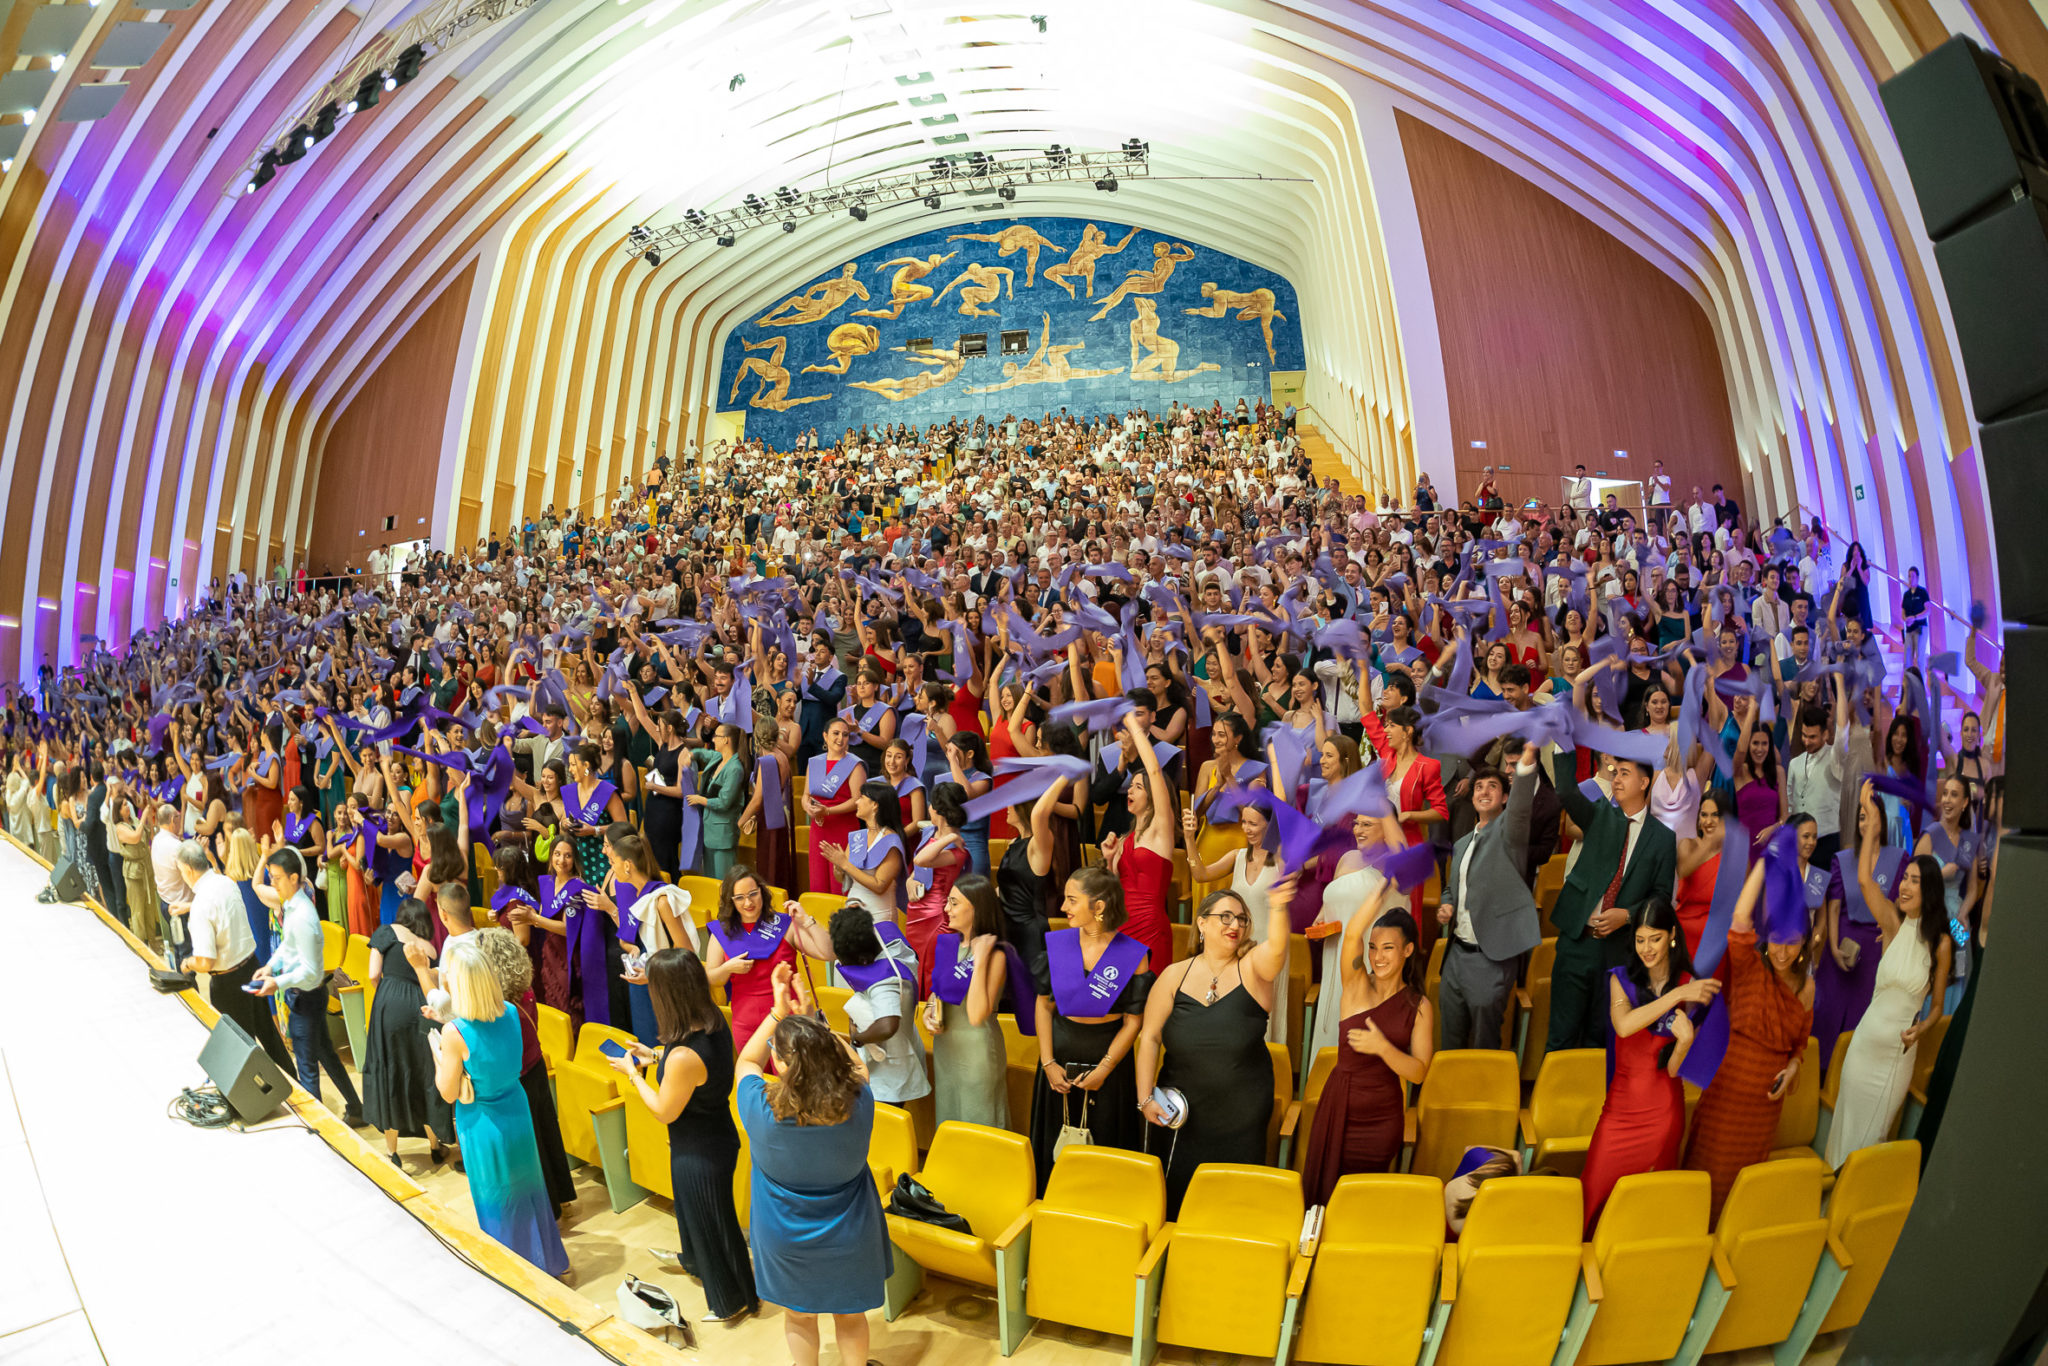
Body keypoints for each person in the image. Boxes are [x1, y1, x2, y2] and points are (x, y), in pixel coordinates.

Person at [735, 962, 889, 1366]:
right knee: (850, 1315)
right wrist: (815, 1028)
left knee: (799, 1317)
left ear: (782, 1065)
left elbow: (746, 1063)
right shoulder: (859, 1102)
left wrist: (778, 1011)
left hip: (783, 1235)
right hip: (850, 1232)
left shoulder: (761, 1109)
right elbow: (857, 1068)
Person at [610, 948, 758, 1324]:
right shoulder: (713, 1021)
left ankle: (731, 1301)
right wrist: (655, 1056)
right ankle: (693, 1260)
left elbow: (664, 1110)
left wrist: (633, 1073)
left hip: (701, 1150)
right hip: (709, 1134)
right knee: (696, 1214)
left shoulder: (683, 1057)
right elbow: (695, 1071)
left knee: (713, 1223)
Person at [1136, 886, 1290, 1215]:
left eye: (1242, 919)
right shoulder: (1174, 975)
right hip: (1181, 1113)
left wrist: (1278, 905)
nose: (1235, 925)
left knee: (1232, 1205)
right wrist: (1145, 1098)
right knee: (1178, 1202)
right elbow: (1149, 1037)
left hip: (1241, 1117)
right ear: (1202, 923)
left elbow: (1277, 949)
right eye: (1225, 917)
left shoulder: (1253, 968)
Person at [1683, 849, 1814, 1218]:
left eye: (1792, 943)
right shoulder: (1750, 965)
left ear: (1804, 943)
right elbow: (1740, 917)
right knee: (1706, 1173)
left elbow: (1799, 1045)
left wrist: (1792, 1068)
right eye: (1776, 940)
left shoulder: (1807, 988)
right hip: (1727, 1092)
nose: (1783, 952)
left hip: (1763, 1107)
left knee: (1741, 1187)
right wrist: (1763, 864)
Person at [1825, 783, 1951, 1166]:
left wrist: (1921, 1029)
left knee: (1873, 1140)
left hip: (1896, 1056)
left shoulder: (1941, 943)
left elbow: (1937, 1006)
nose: (1905, 885)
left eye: (1914, 880)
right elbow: (1865, 880)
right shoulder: (1893, 925)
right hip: (1864, 1048)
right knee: (1844, 1130)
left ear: (1929, 890)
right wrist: (1872, 828)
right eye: (1905, 878)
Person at [430, 940, 570, 1274]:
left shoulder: (454, 1033)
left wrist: (437, 1059)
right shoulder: (510, 1011)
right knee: (530, 1192)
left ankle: (514, 1272)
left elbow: (447, 1093)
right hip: (517, 1110)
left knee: (497, 1200)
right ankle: (547, 1261)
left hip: (483, 1123)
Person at [1578, 897, 1717, 1232]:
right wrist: (1673, 997)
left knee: (1648, 1206)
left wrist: (1685, 1042)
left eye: (1655, 939)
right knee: (1592, 1194)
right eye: (1640, 940)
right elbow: (1625, 1026)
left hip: (1663, 1112)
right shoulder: (1621, 979)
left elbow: (1673, 1070)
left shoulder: (1690, 985)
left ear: (1672, 935)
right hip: (1619, 1110)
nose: (1647, 948)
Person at [1299, 907, 1433, 1207]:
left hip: (1383, 1120)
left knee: (1364, 1200)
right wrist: (1378, 890)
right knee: (1326, 1198)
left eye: (1388, 948)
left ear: (1408, 950)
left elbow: (1419, 1073)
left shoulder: (1420, 1006)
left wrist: (1383, 1047)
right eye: (1373, 947)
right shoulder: (1357, 983)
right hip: (1339, 1108)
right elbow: (1351, 936)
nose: (1377, 957)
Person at [1030, 866, 1154, 1183]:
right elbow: (1043, 1005)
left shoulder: (1132, 954)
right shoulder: (1059, 945)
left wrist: (1105, 1068)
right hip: (1057, 1063)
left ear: (1098, 906)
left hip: (1108, 1066)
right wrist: (1048, 1063)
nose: (1063, 907)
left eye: (1072, 900)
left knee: (1106, 1152)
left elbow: (1133, 1021)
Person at [1547, 749, 1677, 1053]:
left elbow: (1661, 897)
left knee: (1600, 1041)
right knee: (1560, 1037)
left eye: (1624, 774)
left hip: (1619, 951)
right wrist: (1562, 744)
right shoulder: (1599, 814)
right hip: (1577, 941)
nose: (1616, 779)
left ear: (1644, 783)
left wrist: (1628, 916)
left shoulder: (1662, 838)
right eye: (1615, 773)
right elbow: (1566, 791)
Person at [249, 847, 364, 1126]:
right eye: (271, 877)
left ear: (293, 878)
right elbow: (288, 946)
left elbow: (311, 972)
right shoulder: (292, 904)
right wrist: (271, 966)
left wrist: (277, 982)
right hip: (307, 995)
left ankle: (319, 1132)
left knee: (307, 1069)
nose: (273, 883)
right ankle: (357, 1110)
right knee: (326, 1056)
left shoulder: (302, 916)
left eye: (277, 878)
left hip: (307, 998)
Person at [1436, 752, 1540, 1050]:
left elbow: (1521, 806)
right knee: (1450, 1041)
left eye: (1492, 786)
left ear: (1505, 798)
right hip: (1456, 955)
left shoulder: (1510, 835)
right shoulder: (1460, 844)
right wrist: (1447, 904)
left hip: (1492, 958)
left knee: (1485, 1044)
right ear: (1472, 798)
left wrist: (1527, 760)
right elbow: (1451, 888)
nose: (1483, 791)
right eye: (1479, 787)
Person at [475, 926, 576, 1214]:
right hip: (536, 1068)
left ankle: (548, 1207)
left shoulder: (501, 1008)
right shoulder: (526, 991)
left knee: (532, 1144)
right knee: (547, 1132)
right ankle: (561, 1196)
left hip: (518, 1078)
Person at [174, 838, 291, 1070]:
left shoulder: (201, 905)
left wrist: (187, 963)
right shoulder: (225, 881)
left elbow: (206, 962)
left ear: (188, 869)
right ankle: (293, 1082)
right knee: (269, 1036)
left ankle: (253, 1092)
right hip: (251, 966)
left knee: (240, 1052)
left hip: (228, 983)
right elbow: (218, 908)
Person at [362, 898, 457, 1170]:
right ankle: (435, 1146)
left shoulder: (386, 932)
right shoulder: (430, 947)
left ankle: (392, 1152)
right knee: (422, 1072)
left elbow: (373, 974)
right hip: (421, 1008)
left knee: (389, 1071)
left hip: (388, 1005)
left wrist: (386, 993)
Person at [701, 866, 832, 1051]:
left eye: (753, 894)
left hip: (789, 1020)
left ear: (762, 892)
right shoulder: (722, 931)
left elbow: (827, 953)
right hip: (745, 1024)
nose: (748, 903)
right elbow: (712, 977)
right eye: (740, 898)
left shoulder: (785, 925)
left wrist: (807, 920)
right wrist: (728, 968)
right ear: (731, 900)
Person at [923, 874, 1013, 1128]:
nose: (946, 909)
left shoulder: (996, 954)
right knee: (949, 1117)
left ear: (977, 908)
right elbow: (938, 990)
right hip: (946, 1047)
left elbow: (977, 1013)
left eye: (954, 903)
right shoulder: (948, 944)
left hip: (977, 1050)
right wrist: (929, 1010)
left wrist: (980, 959)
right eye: (948, 902)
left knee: (979, 1122)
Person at [826, 905, 930, 1105]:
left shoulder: (884, 983)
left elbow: (887, 1025)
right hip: (896, 1050)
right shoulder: (886, 938)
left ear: (864, 961)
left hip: (890, 1072)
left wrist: (858, 1038)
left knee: (883, 1120)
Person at [1099, 713, 1177, 973]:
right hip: (1121, 927)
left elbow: (1153, 770)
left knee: (1149, 994)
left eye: (1138, 787)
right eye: (1130, 786)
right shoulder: (1123, 840)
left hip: (1151, 927)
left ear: (1153, 796)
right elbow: (1113, 889)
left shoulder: (1161, 829)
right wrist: (1109, 859)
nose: (1129, 791)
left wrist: (1132, 723)